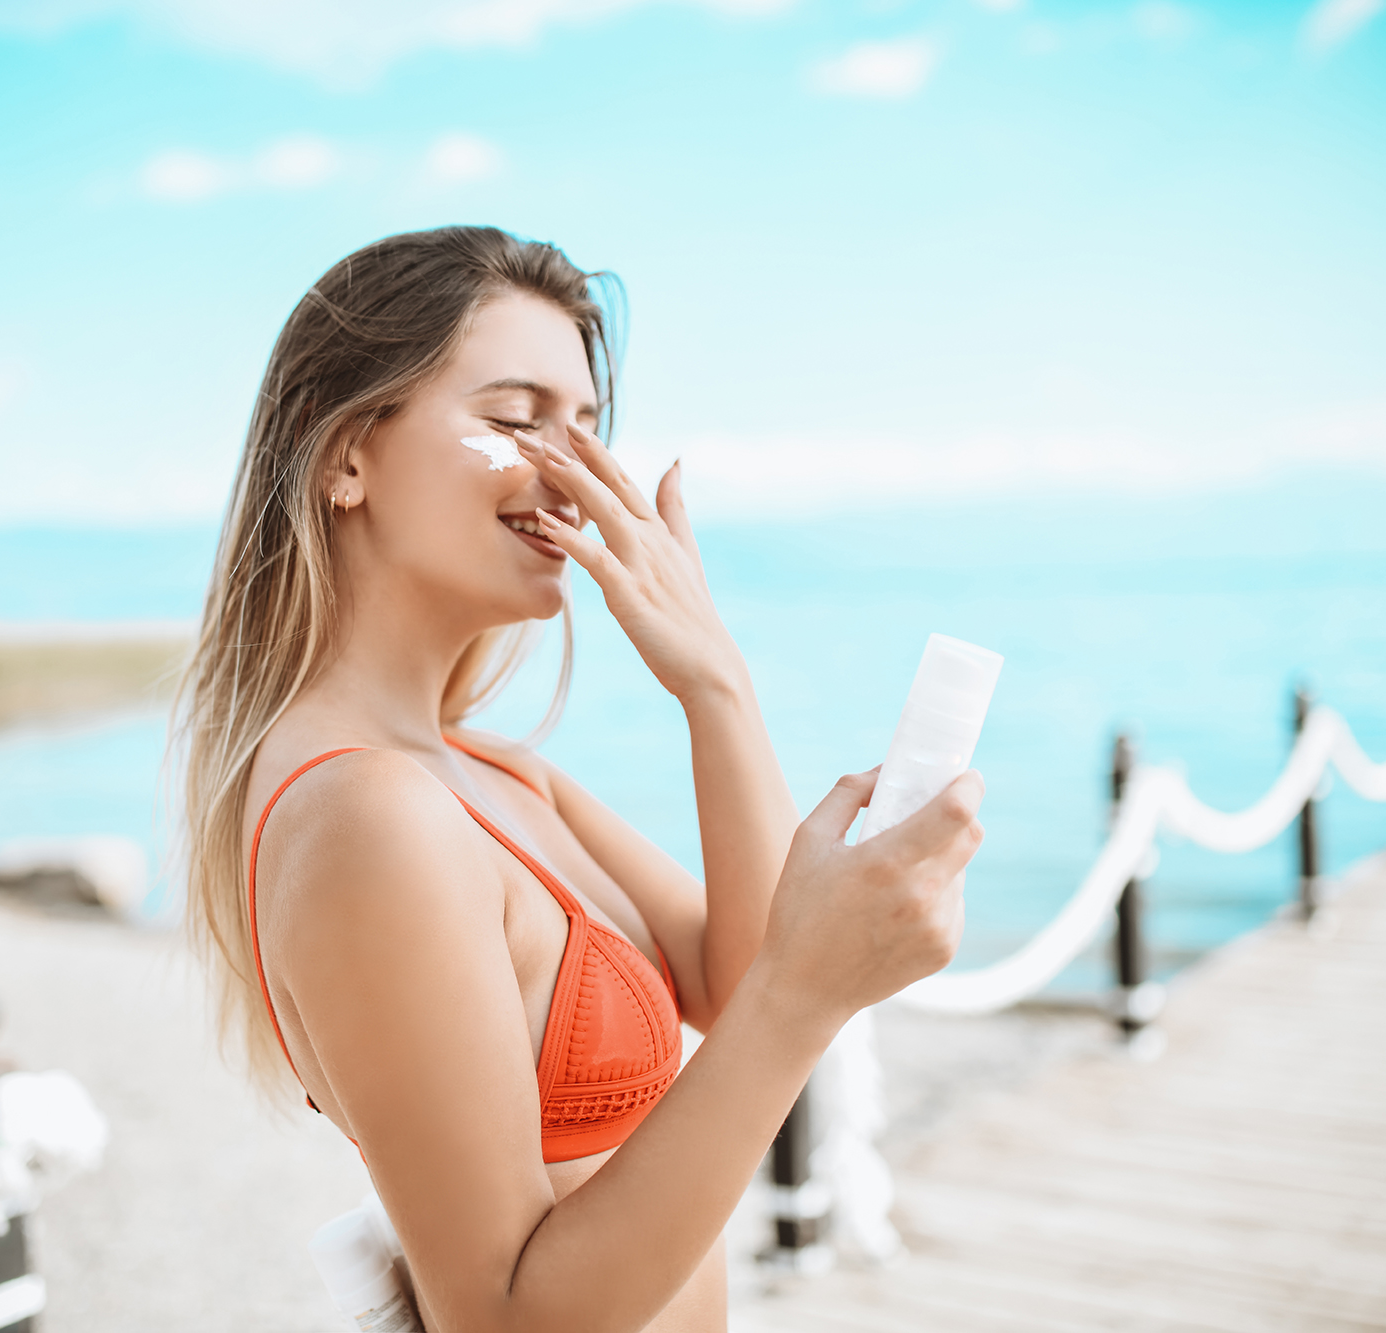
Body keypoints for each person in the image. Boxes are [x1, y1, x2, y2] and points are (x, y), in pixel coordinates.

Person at [178, 226, 983, 1332]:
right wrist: (808, 993)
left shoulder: (491, 772)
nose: (573, 473)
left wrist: (713, 686)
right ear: (344, 457)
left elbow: (742, 968)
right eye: (513, 422)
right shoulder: (371, 813)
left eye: (589, 431)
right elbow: (502, 1314)